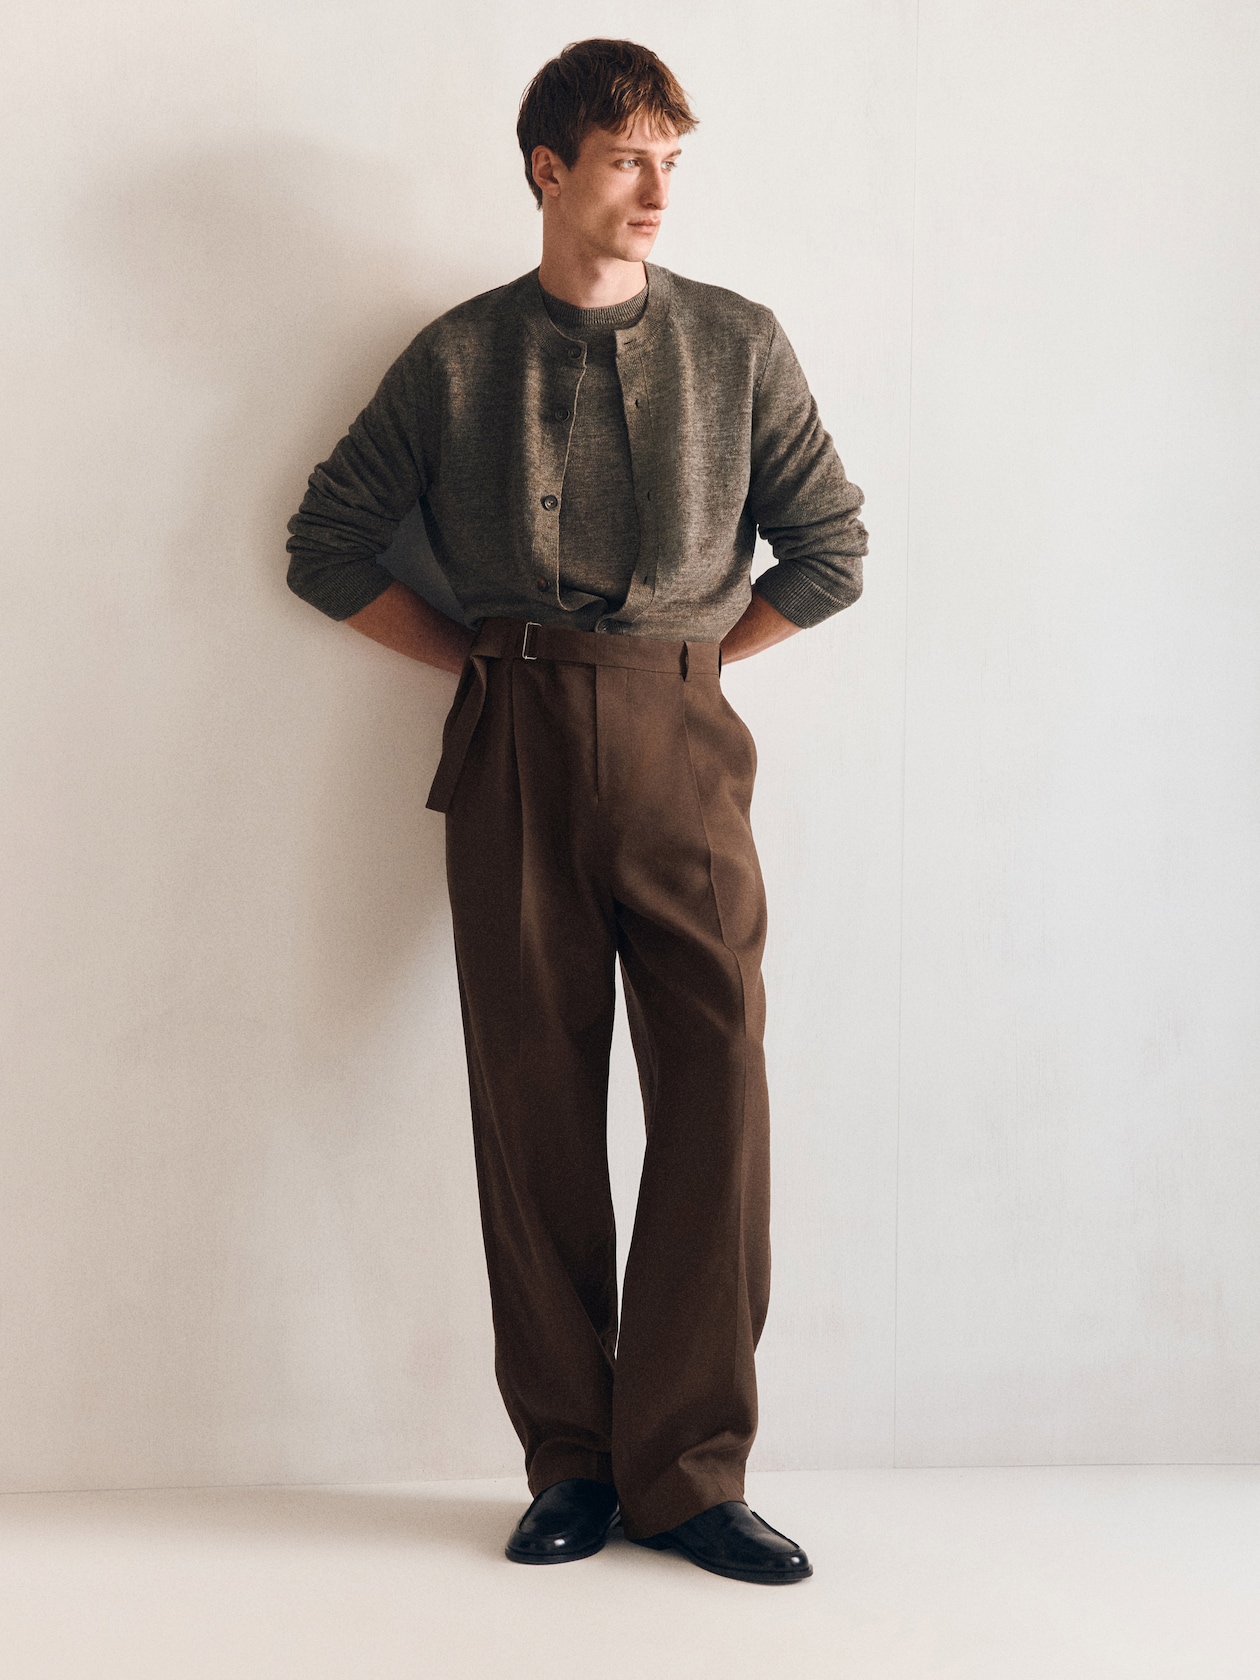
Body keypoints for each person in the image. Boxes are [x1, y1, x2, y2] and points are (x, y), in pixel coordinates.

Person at [286, 38, 867, 1585]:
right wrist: (487, 652)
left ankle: (689, 1470)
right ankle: (571, 1464)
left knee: (716, 1093)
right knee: (532, 1104)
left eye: (675, 155)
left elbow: (829, 549)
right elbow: (330, 545)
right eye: (627, 158)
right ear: (548, 171)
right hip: (516, 735)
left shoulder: (741, 344)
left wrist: (690, 666)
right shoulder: (458, 356)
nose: (658, 186)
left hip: (686, 741)